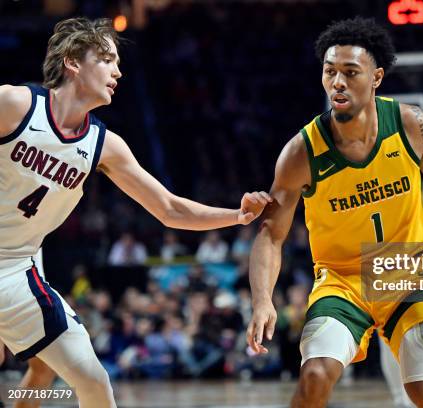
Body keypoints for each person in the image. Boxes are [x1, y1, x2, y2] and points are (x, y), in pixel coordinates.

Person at [0, 17, 271, 408]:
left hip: (17, 266)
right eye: (108, 59)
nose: (118, 71)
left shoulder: (103, 145)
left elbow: (170, 208)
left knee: (92, 381)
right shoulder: (15, 105)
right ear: (73, 62)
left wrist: (237, 216)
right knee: (38, 370)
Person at [246, 17, 423, 408]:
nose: (338, 82)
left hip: (408, 275)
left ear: (376, 77)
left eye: (350, 72)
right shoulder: (301, 152)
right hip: (342, 282)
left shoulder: (408, 123)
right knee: (315, 375)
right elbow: (271, 234)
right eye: (330, 71)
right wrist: (263, 300)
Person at [379, 182, 423, 408]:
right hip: (387, 270)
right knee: (387, 341)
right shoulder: (382, 187)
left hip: (419, 274)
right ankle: (401, 401)